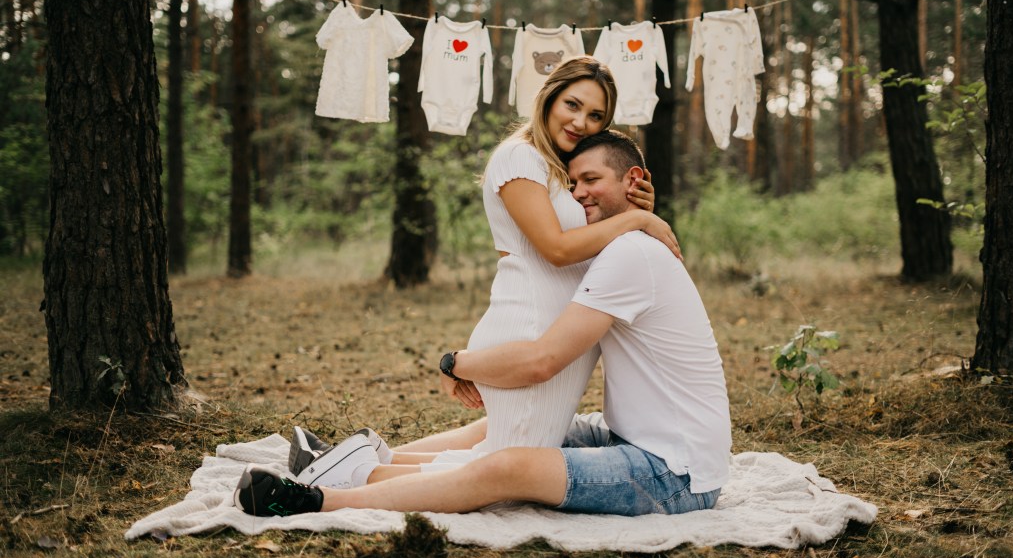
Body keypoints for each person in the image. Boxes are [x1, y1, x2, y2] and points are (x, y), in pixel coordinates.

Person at [235, 130, 731, 517]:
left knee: (510, 464)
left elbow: (542, 361)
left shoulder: (631, 254)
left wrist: (457, 363)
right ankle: (363, 463)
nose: (579, 193)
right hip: (634, 438)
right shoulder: (621, 246)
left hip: (676, 474)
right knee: (515, 426)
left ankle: (321, 499)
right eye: (572, 184)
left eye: (591, 180)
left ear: (633, 179)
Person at [287, 56, 679, 490]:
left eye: (596, 115)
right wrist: (637, 220)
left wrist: (632, 206)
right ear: (549, 98)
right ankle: (347, 478)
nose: (581, 122)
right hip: (530, 329)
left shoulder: (561, 171)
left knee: (495, 460)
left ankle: (356, 460)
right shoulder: (520, 158)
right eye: (572, 104)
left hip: (559, 333)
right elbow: (555, 249)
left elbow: (597, 242)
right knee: (495, 473)